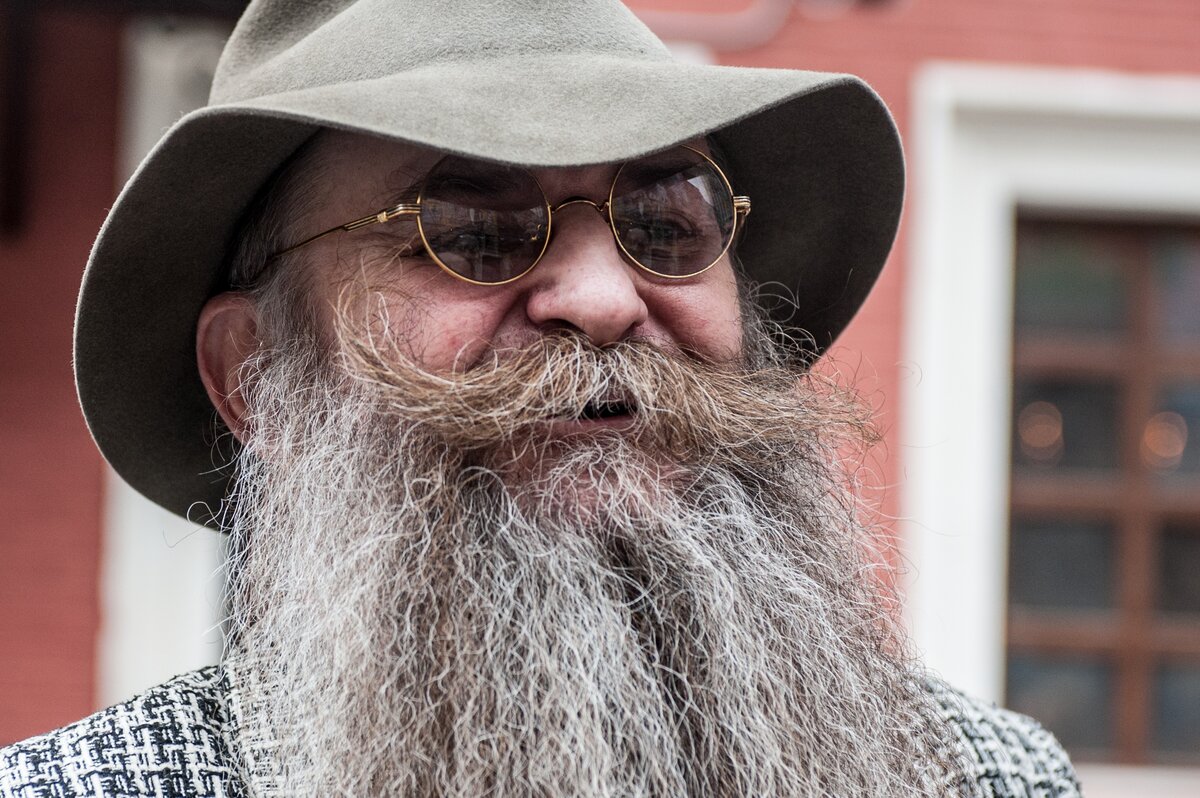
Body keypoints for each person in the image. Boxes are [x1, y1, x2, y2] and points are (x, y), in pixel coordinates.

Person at [1, 1, 1081, 796]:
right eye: (471, 233)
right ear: (258, 378)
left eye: (665, 222)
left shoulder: (989, 780)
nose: (606, 301)